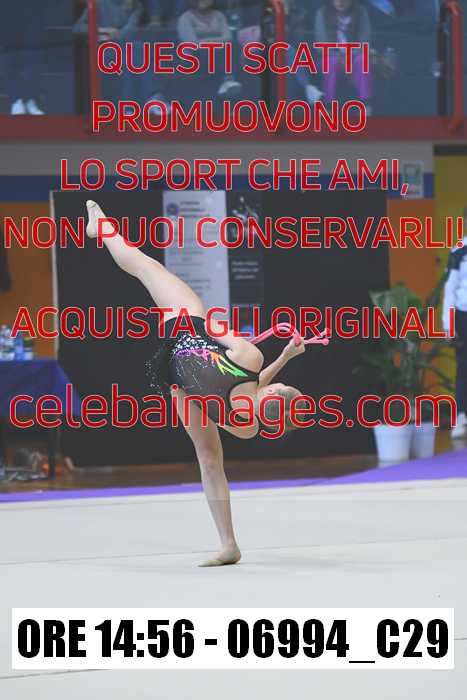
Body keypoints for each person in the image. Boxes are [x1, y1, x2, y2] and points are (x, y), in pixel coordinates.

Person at [85, 200, 308, 566]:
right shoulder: (248, 427)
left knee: (145, 266)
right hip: (181, 384)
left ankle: (103, 229)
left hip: (184, 327)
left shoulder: (250, 357)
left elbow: (211, 330)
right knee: (209, 459)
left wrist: (269, 356)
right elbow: (246, 394)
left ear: (273, 391)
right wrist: (283, 358)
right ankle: (228, 543)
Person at [73, 0, 170, 108]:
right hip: (104, 50)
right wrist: (103, 30)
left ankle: (130, 106)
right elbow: (78, 28)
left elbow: (131, 29)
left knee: (134, 56)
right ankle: (152, 96)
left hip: (124, 47)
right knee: (136, 53)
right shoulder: (99, 3)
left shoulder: (135, 5)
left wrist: (115, 35)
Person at [314, 0, 372, 109]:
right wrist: (340, 58)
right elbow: (321, 45)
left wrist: (348, 57)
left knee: (362, 60)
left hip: (353, 56)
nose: (340, 2)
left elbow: (364, 43)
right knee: (331, 63)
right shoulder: (322, 13)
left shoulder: (361, 12)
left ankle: (366, 104)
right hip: (330, 57)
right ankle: (329, 105)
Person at [177, 0, 242, 97]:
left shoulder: (219, 15)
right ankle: (226, 80)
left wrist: (205, 41)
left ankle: (228, 81)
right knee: (214, 50)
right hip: (195, 56)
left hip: (218, 52)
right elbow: (192, 43)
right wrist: (217, 41)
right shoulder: (185, 18)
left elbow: (228, 37)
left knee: (232, 46)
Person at [442, 209, 467, 440]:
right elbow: (450, 288)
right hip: (463, 315)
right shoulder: (459, 250)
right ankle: (460, 416)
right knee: (463, 366)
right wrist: (448, 323)